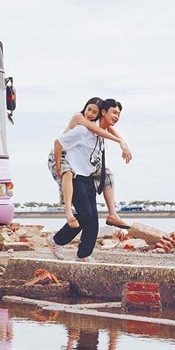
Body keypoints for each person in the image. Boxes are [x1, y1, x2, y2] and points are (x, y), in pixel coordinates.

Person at [49, 98, 125, 262]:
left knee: (92, 219)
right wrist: (58, 166)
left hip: (88, 176)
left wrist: (122, 143)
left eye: (119, 114)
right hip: (75, 175)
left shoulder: (101, 135)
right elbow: (58, 142)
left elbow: (107, 130)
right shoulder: (83, 130)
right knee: (85, 215)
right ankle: (56, 241)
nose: (117, 116)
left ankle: (83, 256)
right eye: (114, 112)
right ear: (103, 113)